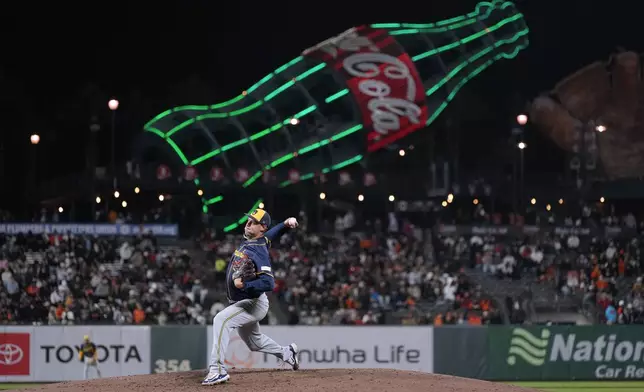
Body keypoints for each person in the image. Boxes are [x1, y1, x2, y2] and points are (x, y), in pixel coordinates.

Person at [202, 208, 300, 386]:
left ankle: (216, 370)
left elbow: (269, 283)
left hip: (252, 303)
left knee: (221, 320)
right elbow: (272, 233)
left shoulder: (259, 250)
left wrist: (246, 285)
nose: (247, 223)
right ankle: (286, 353)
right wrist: (285, 225)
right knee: (254, 343)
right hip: (245, 302)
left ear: (261, 227)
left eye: (252, 222)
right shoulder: (258, 240)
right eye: (248, 220)